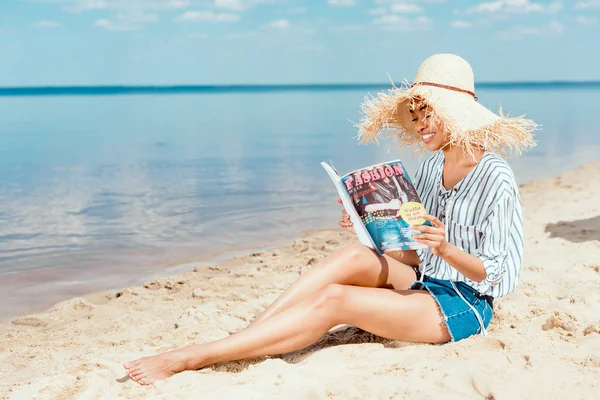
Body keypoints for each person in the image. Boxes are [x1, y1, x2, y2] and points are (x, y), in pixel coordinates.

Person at [124, 54, 537, 385]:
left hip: (463, 305)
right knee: (354, 257)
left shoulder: (495, 177)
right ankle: (247, 338)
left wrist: (446, 247)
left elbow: (501, 276)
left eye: (428, 113)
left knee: (335, 300)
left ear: (457, 112)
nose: (420, 125)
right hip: (426, 281)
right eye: (415, 115)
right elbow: (414, 255)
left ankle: (191, 357)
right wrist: (368, 223)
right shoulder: (432, 168)